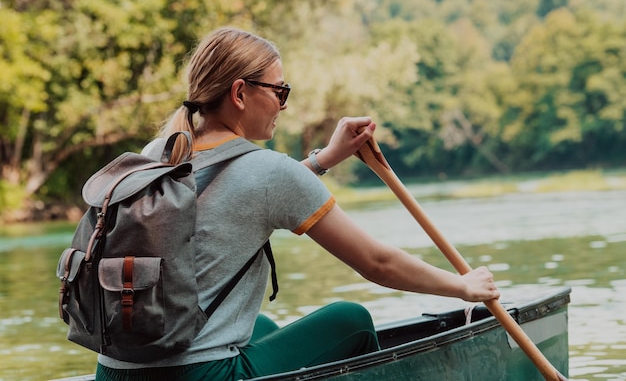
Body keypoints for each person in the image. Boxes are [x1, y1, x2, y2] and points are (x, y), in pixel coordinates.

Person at [95, 27, 500, 381]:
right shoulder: (269, 171)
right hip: (202, 375)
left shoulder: (159, 153)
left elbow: (241, 192)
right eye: (279, 91)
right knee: (351, 320)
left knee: (261, 326)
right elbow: (377, 263)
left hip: (113, 374)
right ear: (240, 93)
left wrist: (325, 158)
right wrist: (462, 286)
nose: (283, 105)